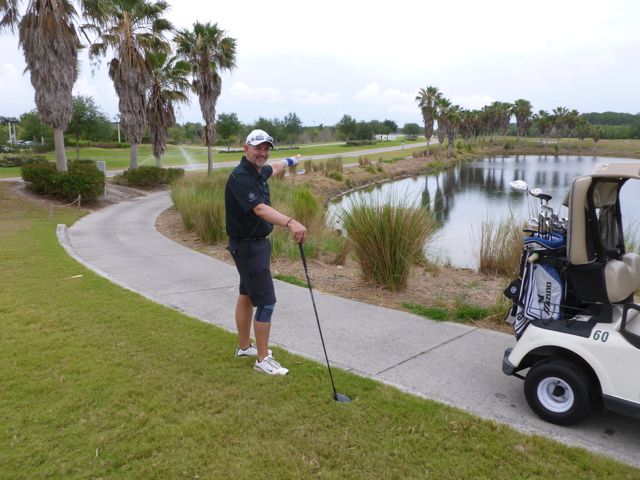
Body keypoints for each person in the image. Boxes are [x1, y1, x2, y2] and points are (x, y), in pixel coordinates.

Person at [224, 129, 307, 375]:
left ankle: (244, 347)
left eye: (266, 148)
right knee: (266, 302)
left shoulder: (259, 171)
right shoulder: (241, 177)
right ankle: (262, 360)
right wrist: (291, 222)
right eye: (258, 148)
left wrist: (292, 160)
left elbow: (276, 166)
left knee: (247, 295)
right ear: (246, 148)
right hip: (248, 247)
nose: (262, 152)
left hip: (253, 245)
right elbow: (260, 209)